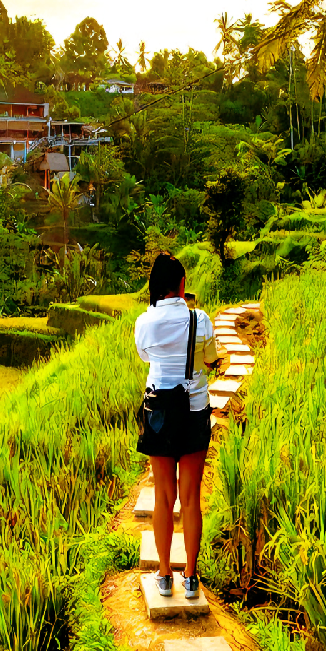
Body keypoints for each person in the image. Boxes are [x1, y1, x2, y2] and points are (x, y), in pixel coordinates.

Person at [134, 253, 218, 600]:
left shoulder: (144, 322)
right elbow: (211, 358)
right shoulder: (200, 320)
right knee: (191, 498)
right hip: (194, 411)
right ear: (183, 285)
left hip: (159, 415)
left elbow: (145, 356)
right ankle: (192, 578)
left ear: (156, 287)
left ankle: (165, 575)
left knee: (164, 498)